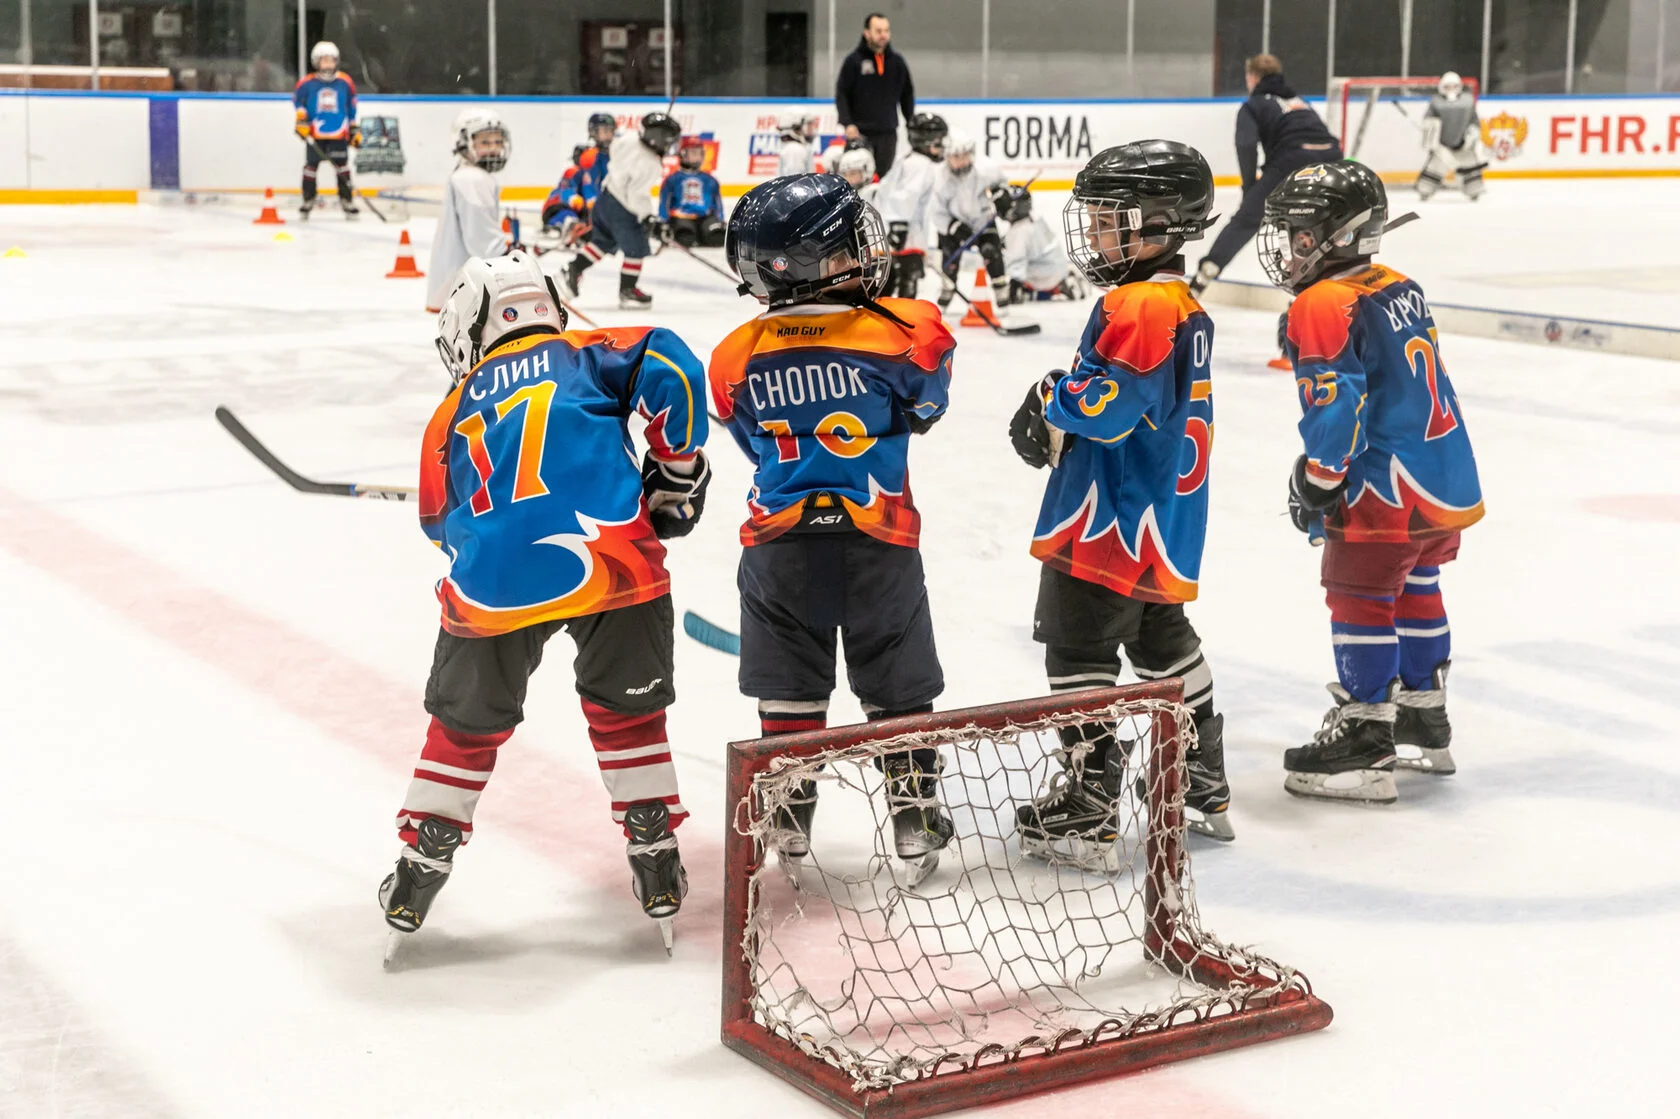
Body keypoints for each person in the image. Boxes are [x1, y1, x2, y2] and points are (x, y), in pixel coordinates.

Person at [383, 251, 711, 960]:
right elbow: (676, 364)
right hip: (614, 563)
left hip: (491, 586)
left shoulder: (448, 414)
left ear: (472, 323)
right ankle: (652, 840)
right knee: (629, 714)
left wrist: (488, 540)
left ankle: (423, 855)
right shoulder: (586, 354)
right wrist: (674, 475)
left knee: (464, 725)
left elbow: (437, 525)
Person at [709, 173, 957, 880]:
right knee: (899, 686)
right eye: (850, 247)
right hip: (878, 541)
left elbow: (750, 437)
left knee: (788, 688)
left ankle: (788, 822)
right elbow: (926, 408)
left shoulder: (735, 354)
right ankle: (913, 821)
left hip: (779, 545)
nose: (866, 255)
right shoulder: (906, 331)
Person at [1008, 140, 1233, 848]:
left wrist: (1053, 397)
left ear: (1160, 224)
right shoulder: (1177, 301)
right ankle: (1200, 774)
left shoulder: (1139, 304)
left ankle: (1090, 801)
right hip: (1161, 515)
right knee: (1163, 640)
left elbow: (1107, 407)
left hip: (1110, 517)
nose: (1097, 234)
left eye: (1113, 220)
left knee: (1077, 646)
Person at [1257, 161, 1484, 804]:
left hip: (1384, 488)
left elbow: (1337, 404)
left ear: (1338, 235)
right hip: (1441, 477)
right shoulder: (1398, 283)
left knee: (1358, 595)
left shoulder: (1323, 302)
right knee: (1418, 582)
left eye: (1301, 237)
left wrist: (1320, 479)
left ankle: (1365, 736)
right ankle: (1422, 713)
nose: (1289, 248)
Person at [1190, 54, 1341, 295]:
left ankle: (1203, 277)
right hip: (1333, 160)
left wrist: (1249, 187)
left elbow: (1245, 144)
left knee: (1247, 219)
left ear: (1252, 77)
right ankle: (1331, 281)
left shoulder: (1253, 105)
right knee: (1317, 223)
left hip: (1291, 161)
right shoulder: (1300, 101)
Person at [565, 112, 682, 309]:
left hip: (605, 198)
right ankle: (628, 290)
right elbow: (636, 196)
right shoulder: (650, 163)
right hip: (622, 209)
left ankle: (574, 268)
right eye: (668, 141)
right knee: (636, 248)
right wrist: (647, 218)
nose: (670, 146)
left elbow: (614, 151)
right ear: (657, 139)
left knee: (602, 242)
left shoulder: (629, 139)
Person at [426, 110, 511, 313]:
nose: (494, 149)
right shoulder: (472, 179)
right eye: (485, 142)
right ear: (463, 142)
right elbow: (484, 242)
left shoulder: (466, 174)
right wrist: (511, 256)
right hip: (470, 297)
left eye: (498, 142)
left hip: (460, 292)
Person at [931, 130, 1018, 323]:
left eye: (963, 156)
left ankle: (1001, 294)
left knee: (992, 252)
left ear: (971, 154)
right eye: (954, 157)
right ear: (947, 157)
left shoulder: (986, 168)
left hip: (982, 220)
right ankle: (947, 290)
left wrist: (1001, 195)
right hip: (953, 223)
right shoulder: (939, 177)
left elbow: (1002, 183)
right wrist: (953, 227)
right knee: (950, 260)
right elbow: (935, 210)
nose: (959, 161)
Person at [874, 112, 946, 300]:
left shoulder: (907, 159)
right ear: (926, 141)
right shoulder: (920, 165)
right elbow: (905, 196)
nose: (942, 147)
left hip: (891, 232)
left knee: (886, 284)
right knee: (906, 280)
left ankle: (882, 322)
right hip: (904, 236)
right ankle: (900, 325)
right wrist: (899, 227)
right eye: (938, 142)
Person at [834, 12, 915, 176]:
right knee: (858, 182)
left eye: (886, 30)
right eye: (878, 31)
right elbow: (842, 93)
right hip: (859, 134)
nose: (883, 35)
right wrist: (847, 123)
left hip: (888, 134)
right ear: (867, 33)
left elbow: (907, 94)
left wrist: (910, 122)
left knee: (885, 182)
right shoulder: (853, 61)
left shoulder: (897, 62)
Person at [292, 41, 360, 219]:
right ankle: (308, 199)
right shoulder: (307, 83)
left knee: (342, 167)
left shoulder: (345, 82)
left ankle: (346, 200)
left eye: (331, 60)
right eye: (324, 60)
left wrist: (353, 127)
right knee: (310, 167)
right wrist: (301, 120)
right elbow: (299, 102)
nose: (328, 64)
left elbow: (351, 105)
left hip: (338, 132)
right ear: (316, 62)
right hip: (315, 134)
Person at [993, 183, 1086, 304]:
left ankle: (1045, 290)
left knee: (1019, 277)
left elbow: (1016, 265)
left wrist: (1012, 290)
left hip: (1041, 279)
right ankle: (1062, 284)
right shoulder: (1037, 220)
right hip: (1059, 269)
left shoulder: (1017, 232)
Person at [1417, 72, 1485, 201]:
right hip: (1442, 147)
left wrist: (1473, 135)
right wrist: (1430, 137)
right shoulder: (1436, 102)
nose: (1451, 89)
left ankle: (1474, 192)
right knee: (1430, 176)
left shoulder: (1468, 101)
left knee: (1472, 176)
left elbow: (1474, 121)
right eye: (1447, 87)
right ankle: (1424, 192)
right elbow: (1429, 120)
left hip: (1463, 146)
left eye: (1454, 86)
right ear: (1442, 87)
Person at [658, 135, 726, 248]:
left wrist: (720, 220)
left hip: (705, 218)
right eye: (694, 153)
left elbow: (717, 204)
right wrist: (663, 222)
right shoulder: (673, 179)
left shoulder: (710, 180)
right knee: (685, 238)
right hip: (681, 218)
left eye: (700, 153)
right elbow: (665, 203)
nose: (698, 157)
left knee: (717, 238)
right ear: (683, 154)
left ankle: (703, 233)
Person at [541, 144, 598, 247]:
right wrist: (574, 199)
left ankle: (576, 229)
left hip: (575, 211)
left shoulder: (589, 174)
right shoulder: (573, 172)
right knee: (567, 215)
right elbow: (566, 191)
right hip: (555, 208)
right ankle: (561, 226)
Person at [776, 110, 818, 175]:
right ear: (796, 128)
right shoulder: (795, 150)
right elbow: (796, 183)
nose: (812, 130)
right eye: (809, 125)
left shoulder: (793, 148)